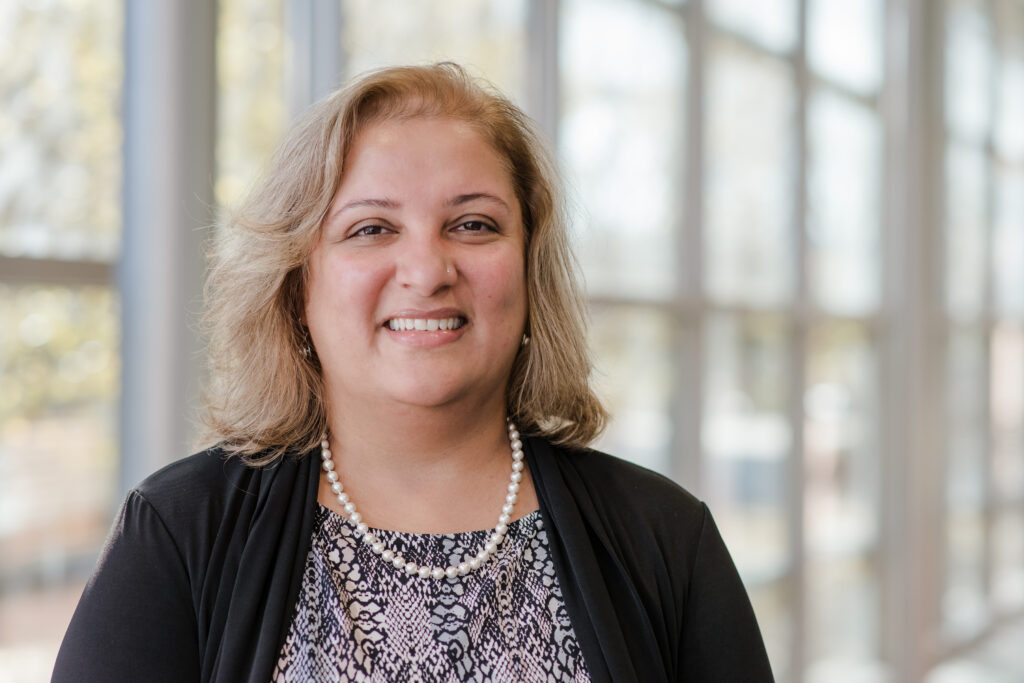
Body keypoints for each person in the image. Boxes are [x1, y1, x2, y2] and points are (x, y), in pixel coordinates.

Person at [52, 63, 773, 682]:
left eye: (474, 224)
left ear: (527, 266)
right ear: (299, 283)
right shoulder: (178, 535)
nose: (428, 271)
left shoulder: (667, 538)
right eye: (372, 228)